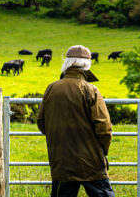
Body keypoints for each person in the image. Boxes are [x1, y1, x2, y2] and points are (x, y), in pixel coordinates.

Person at [37, 45, 115, 197]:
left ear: (67, 63)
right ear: (87, 65)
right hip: (90, 160)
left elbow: (42, 122)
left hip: (61, 160)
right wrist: (101, 152)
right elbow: (104, 128)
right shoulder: (90, 90)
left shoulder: (51, 89)